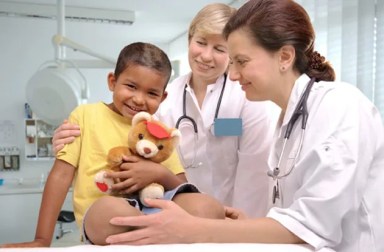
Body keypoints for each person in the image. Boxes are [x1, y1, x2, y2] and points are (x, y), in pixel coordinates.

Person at [98, 0, 384, 251]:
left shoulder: (340, 105)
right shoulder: (288, 121)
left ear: (284, 57)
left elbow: (314, 223)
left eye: (241, 61)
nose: (232, 74)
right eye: (232, 62)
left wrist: (199, 229)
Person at [51, 3, 278, 218]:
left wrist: (239, 230)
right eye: (200, 42)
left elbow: (254, 178)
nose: (206, 56)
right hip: (178, 213)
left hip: (232, 216)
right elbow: (128, 141)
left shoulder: (248, 100)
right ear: (190, 39)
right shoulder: (162, 98)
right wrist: (70, 145)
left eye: (220, 48)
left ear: (232, 54)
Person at [1, 42, 224, 248]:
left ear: (162, 97)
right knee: (112, 210)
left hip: (154, 210)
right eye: (131, 86)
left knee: (208, 207)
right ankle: (158, 234)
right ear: (112, 82)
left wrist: (157, 173)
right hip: (104, 214)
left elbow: (179, 186)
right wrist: (42, 239)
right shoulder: (85, 116)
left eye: (151, 93)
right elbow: (60, 177)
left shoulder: (159, 130)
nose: (139, 99)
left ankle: (155, 233)